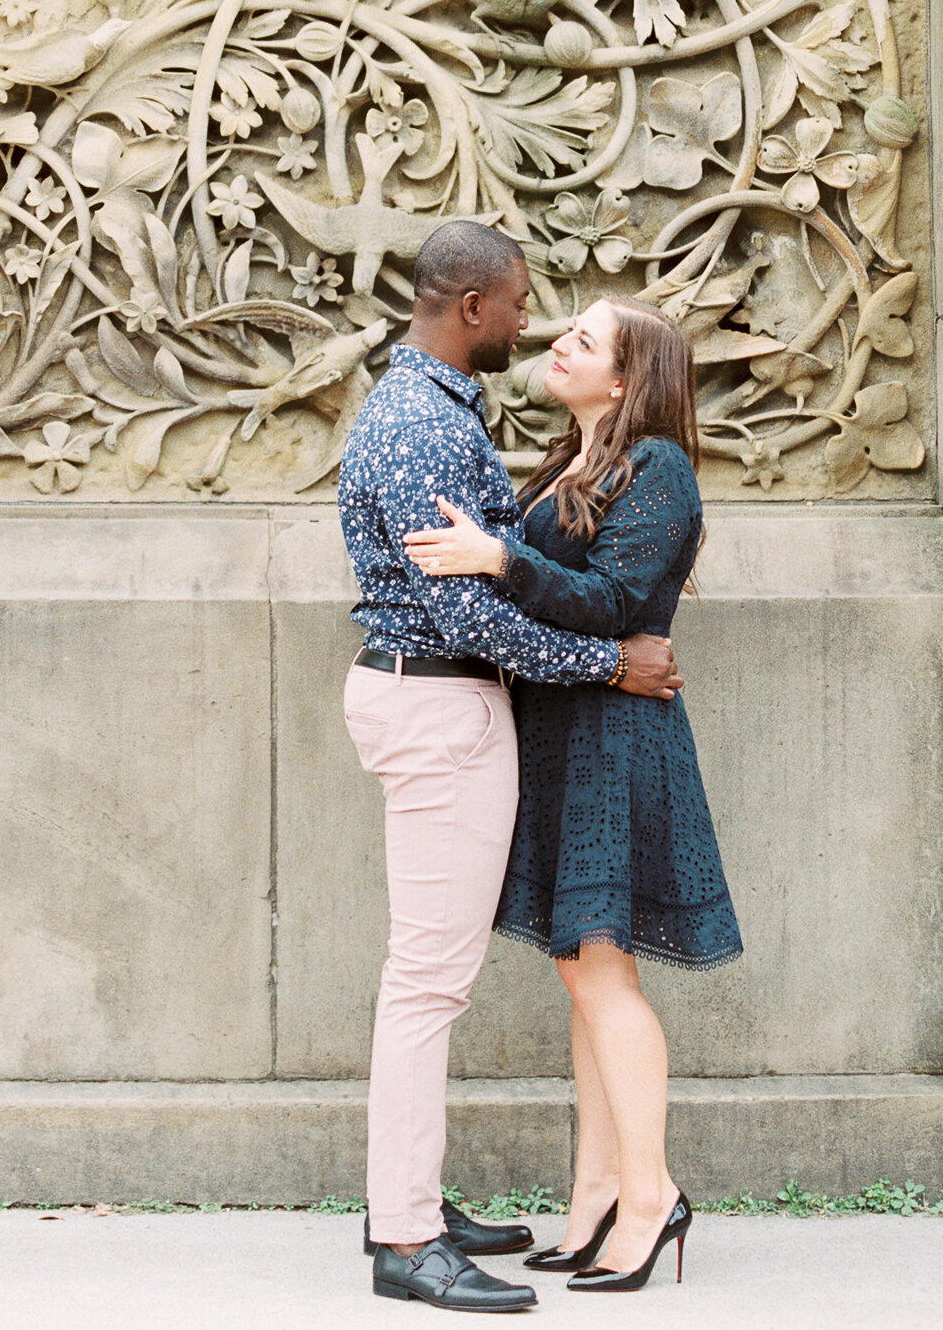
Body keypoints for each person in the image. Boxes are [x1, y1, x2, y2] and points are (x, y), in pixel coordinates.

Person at [338, 222, 685, 1315]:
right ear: (473, 307)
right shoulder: (420, 425)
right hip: (436, 698)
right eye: (526, 302)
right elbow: (467, 608)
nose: (532, 322)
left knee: (433, 977)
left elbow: (513, 573)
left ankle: (419, 1207)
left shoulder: (441, 412)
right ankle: (403, 1234)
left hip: (444, 698)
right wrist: (611, 665)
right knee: (427, 984)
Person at [404, 293, 741, 1296]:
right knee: (580, 972)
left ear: (628, 379)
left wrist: (497, 557)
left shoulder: (659, 470)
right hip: (563, 729)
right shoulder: (569, 461)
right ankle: (596, 1190)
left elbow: (616, 605)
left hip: (613, 739)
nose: (562, 343)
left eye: (585, 341)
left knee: (603, 974)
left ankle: (650, 1196)